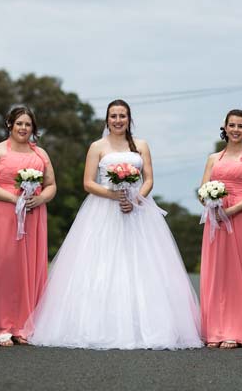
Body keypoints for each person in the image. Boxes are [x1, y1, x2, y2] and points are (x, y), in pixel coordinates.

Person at [23, 99, 203, 350]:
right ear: (107, 120)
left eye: (122, 116)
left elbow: (149, 178)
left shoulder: (141, 145)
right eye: (113, 116)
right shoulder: (97, 146)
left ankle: (150, 326)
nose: (118, 120)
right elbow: (88, 183)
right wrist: (114, 195)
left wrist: (136, 198)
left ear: (129, 119)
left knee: (144, 264)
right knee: (101, 262)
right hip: (103, 210)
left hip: (138, 211)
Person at [0, 106, 57, 347]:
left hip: (33, 214)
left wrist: (40, 199)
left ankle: (23, 326)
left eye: (28, 124)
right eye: (19, 123)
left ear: (33, 128)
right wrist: (13, 199)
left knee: (29, 269)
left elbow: (51, 185)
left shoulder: (40, 154)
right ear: (10, 125)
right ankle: (2, 325)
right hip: (2, 215)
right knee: (4, 267)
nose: (23, 128)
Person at [198, 109, 242, 349]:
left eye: (240, 126)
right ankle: (216, 329)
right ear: (225, 128)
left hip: (241, 217)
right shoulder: (213, 158)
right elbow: (202, 189)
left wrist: (231, 211)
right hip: (215, 220)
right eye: (232, 125)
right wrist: (211, 203)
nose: (236, 129)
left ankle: (238, 331)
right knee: (219, 274)